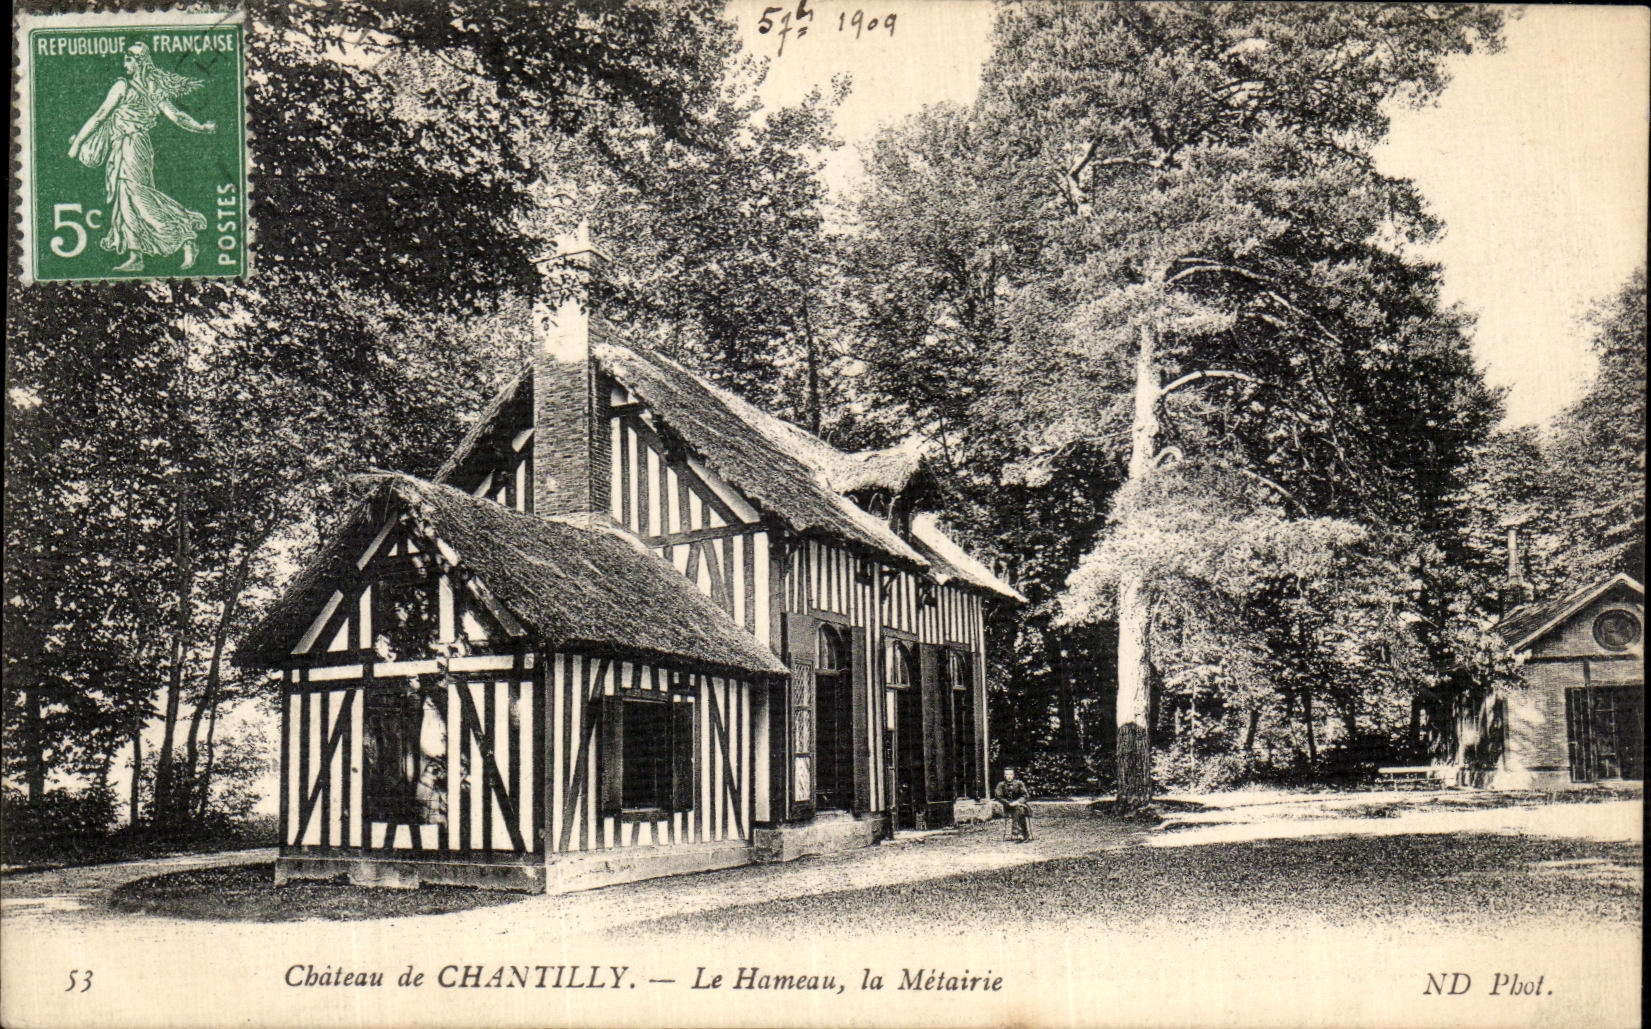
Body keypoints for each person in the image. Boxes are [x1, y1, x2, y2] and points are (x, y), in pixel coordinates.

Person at [68, 43, 215, 273]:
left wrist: (77, 144)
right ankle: (135, 256)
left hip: (133, 146)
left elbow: (99, 116)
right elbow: (177, 116)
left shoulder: (123, 86)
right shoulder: (153, 88)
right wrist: (201, 127)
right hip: (128, 147)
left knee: (138, 196)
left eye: (129, 60)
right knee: (125, 198)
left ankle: (185, 235)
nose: (124, 64)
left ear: (140, 63)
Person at [993, 766, 1032, 842]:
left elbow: (1025, 795)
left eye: (1011, 774)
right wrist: (1008, 803)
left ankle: (1017, 833)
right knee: (1019, 810)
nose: (1009, 776)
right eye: (1007, 774)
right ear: (1004, 776)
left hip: (1020, 805)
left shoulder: (1019, 783)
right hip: (1008, 807)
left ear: (1013, 775)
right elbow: (998, 796)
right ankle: (1024, 834)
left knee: (1020, 809)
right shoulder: (1001, 785)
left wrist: (1017, 802)